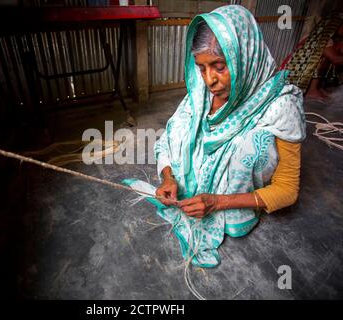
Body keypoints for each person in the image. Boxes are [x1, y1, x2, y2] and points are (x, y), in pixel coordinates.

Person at [124, 5, 306, 267]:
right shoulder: (201, 94)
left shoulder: (280, 106)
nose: (210, 80)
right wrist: (168, 176)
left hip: (232, 205)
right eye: (201, 68)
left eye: (219, 67)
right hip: (192, 189)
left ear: (244, 58)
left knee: (252, 143)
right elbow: (168, 139)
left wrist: (219, 202)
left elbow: (288, 190)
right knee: (183, 125)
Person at [306, 18, 343, 100]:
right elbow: (336, 59)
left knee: (333, 58)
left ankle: (319, 87)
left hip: (309, 70)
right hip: (301, 71)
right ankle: (312, 90)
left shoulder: (336, 40)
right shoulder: (324, 37)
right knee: (325, 59)